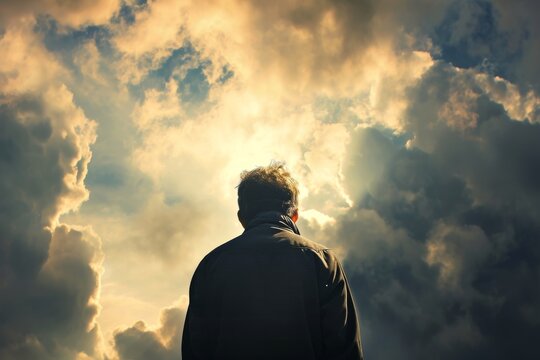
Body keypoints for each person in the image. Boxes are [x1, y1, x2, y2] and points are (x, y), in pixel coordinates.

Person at [182, 163, 364, 360]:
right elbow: (344, 348)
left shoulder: (211, 265)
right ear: (295, 215)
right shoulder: (322, 260)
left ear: (242, 217)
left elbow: (195, 349)